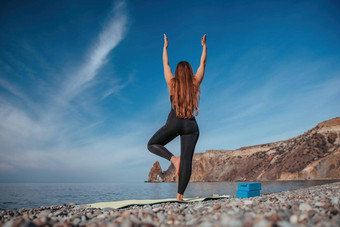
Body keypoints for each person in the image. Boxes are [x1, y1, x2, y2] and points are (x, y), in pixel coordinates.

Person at [147, 33, 207, 201]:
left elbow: (165, 64)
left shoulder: (172, 83)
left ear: (178, 72)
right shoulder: (195, 83)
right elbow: (203, 64)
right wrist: (204, 47)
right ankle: (179, 196)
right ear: (189, 72)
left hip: (174, 122)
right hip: (191, 126)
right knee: (187, 160)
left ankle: (174, 160)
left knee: (152, 144)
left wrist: (165, 47)